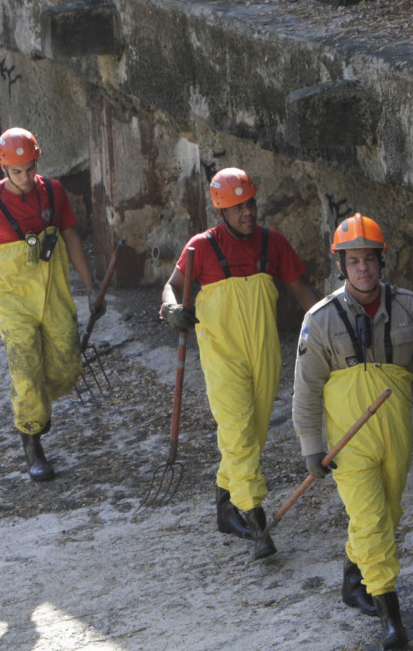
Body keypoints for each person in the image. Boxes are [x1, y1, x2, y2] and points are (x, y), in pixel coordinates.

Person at [292, 213, 413, 651]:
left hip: (395, 431)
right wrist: (312, 447)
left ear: (381, 261)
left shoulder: (408, 306)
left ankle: (354, 578)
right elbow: (306, 391)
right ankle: (392, 618)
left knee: (388, 513)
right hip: (349, 441)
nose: (362, 268)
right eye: (353, 260)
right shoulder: (320, 319)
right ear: (340, 265)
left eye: (369, 259)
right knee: (369, 520)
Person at [159, 167, 318, 559]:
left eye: (250, 203)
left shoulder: (273, 244)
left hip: (264, 355)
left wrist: (330, 329)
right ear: (221, 212)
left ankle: (224, 506)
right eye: (237, 207)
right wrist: (171, 308)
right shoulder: (201, 248)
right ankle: (256, 519)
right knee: (239, 432)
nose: (247, 212)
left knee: (252, 433)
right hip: (221, 357)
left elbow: (304, 294)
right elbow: (172, 286)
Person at [0, 127, 104, 482]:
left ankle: (36, 406)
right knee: (25, 368)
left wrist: (91, 285)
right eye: (17, 171)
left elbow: (71, 236)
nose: (25, 177)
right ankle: (32, 442)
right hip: (11, 298)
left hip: (52, 292)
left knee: (67, 364)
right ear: (4, 168)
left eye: (30, 168)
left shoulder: (53, 192)